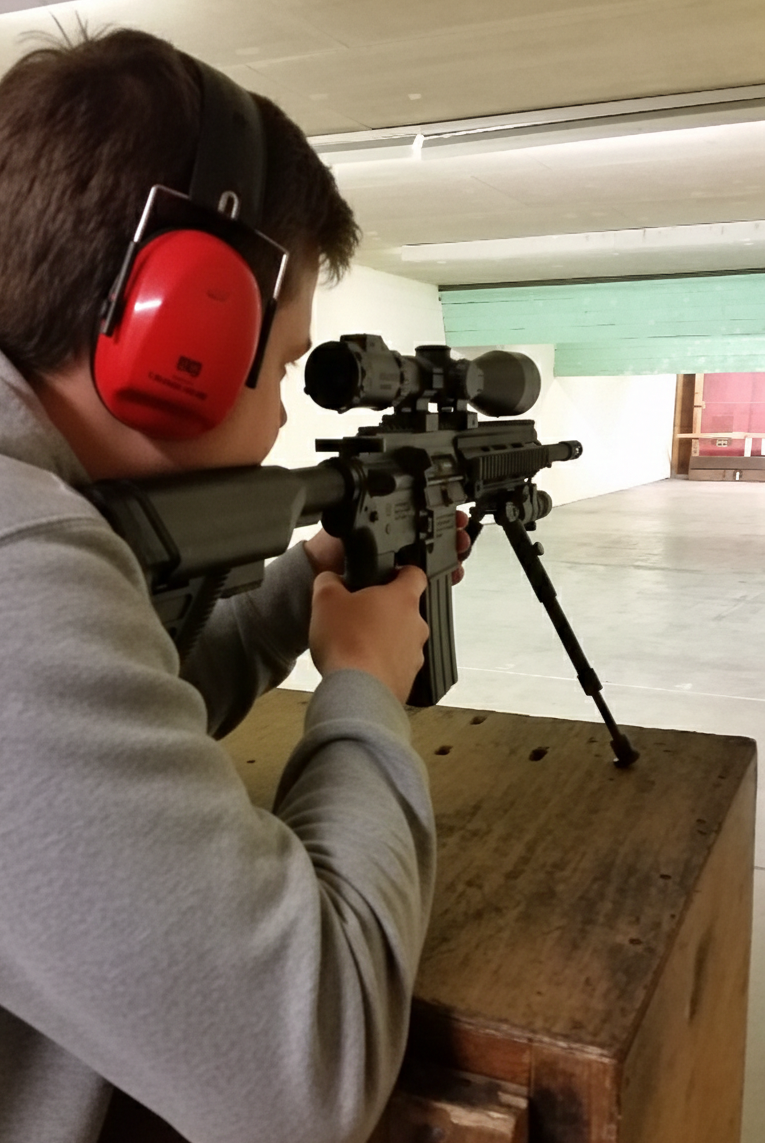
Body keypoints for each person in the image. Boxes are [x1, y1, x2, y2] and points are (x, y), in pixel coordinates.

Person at [0, 26, 449, 1143]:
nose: (288, 412)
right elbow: (304, 1080)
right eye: (286, 364)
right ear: (182, 328)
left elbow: (93, 754)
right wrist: (364, 690)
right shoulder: (18, 568)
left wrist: (297, 594)